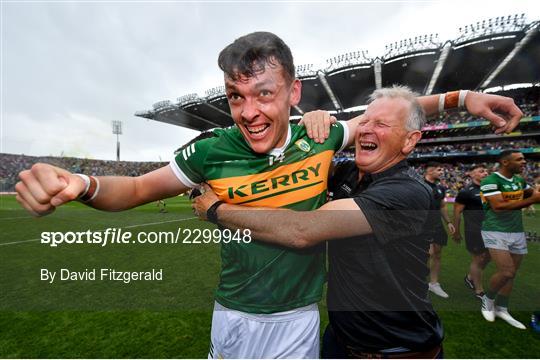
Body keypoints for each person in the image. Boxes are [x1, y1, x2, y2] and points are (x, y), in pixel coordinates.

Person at [15, 30, 523, 358]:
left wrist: (462, 97)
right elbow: (138, 188)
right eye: (236, 96)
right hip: (231, 312)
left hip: (297, 320)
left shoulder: (319, 135)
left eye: (264, 93)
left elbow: (388, 119)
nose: (249, 111)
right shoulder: (211, 149)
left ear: (294, 93)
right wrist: (81, 184)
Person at [192, 86, 446, 357]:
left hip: (395, 350)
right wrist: (311, 126)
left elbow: (302, 230)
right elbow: (283, 172)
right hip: (340, 341)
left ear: (410, 141)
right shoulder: (348, 174)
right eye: (365, 121)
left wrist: (215, 209)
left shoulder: (407, 193)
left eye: (381, 124)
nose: (365, 129)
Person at [479, 150, 540, 329]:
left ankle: (502, 308)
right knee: (507, 272)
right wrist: (534, 199)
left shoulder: (519, 180)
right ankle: (488, 299)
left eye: (524, 159)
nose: (524, 162)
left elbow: (531, 192)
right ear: (505, 162)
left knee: (512, 274)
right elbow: (498, 207)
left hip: (517, 231)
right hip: (495, 230)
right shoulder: (490, 181)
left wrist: (535, 193)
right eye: (519, 159)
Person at [453, 164, 490, 299]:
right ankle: (479, 291)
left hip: (491, 229)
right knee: (478, 258)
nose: (485, 173)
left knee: (488, 257)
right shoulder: (466, 192)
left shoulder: (490, 190)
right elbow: (457, 212)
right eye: (481, 171)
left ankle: (470, 277)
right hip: (474, 231)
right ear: (472, 174)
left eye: (486, 171)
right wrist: (456, 231)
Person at [423, 162, 455, 298]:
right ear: (429, 170)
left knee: (437, 254)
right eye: (439, 169)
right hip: (422, 226)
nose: (442, 172)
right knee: (426, 254)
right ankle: (416, 281)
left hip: (437, 225)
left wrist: (448, 222)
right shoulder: (419, 186)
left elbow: (442, 206)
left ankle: (434, 284)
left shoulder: (440, 188)